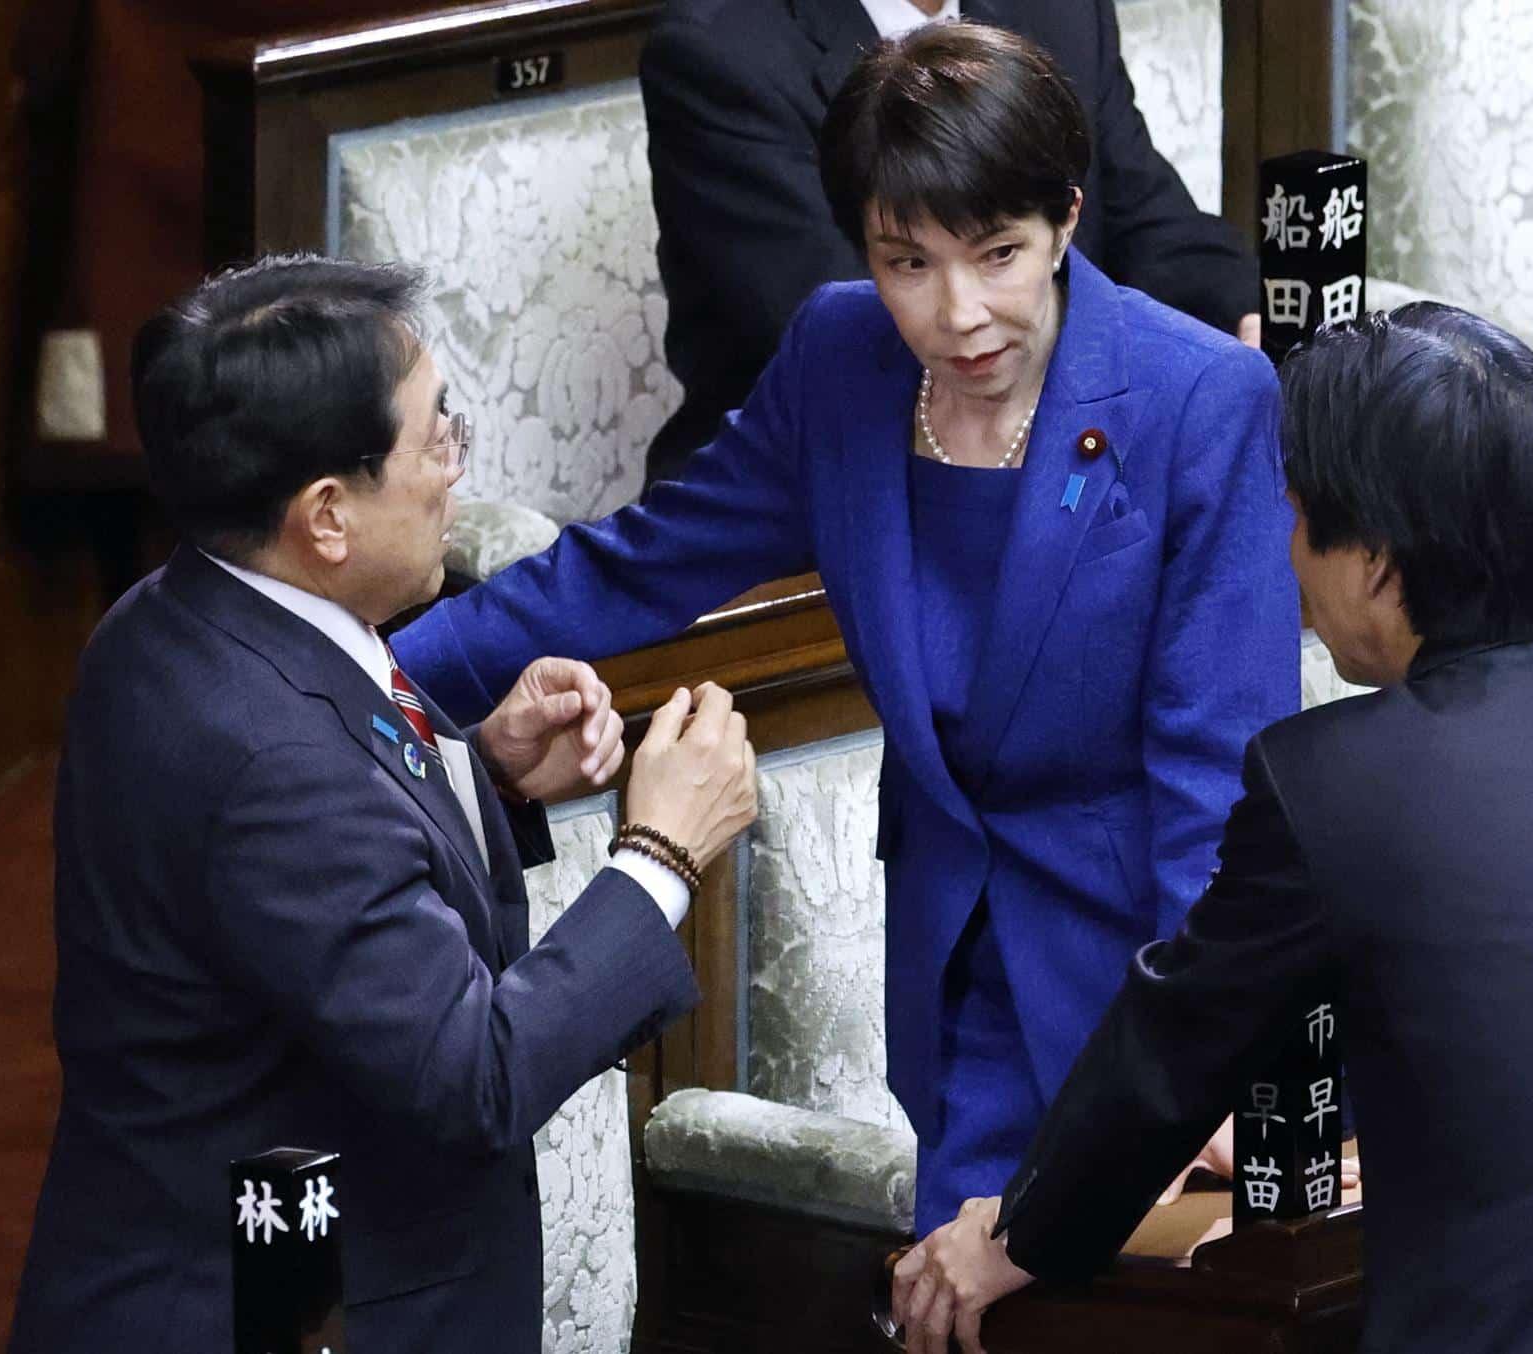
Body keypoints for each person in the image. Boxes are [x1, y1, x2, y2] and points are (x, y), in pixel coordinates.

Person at [391, 23, 1300, 1233]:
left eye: (1000, 255)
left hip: (1138, 981)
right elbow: (640, 565)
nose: (959, 311)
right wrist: (366, 682)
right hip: (955, 976)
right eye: (908, 262)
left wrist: (1202, 1061)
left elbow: (1218, 788)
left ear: (1067, 220)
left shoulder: (1201, 400)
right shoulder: (839, 357)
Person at [893, 303, 1533, 1354]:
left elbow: (1170, 1056)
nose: (1290, 563)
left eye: (1300, 520)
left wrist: (1020, 1233)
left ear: (1372, 560)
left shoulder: (1333, 782)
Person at [9, 256, 757, 1352]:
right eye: (432, 439)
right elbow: (475, 1074)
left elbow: (303, 889)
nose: (455, 470)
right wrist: (661, 851)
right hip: (284, 1309)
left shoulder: (172, 619)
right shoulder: (265, 756)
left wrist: (483, 770)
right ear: (326, 516)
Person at [636, 0, 1260, 491]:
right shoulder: (720, 48)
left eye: (999, 252)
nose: (965, 304)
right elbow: (852, 328)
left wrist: (1243, 327)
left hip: (1073, 455)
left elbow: (1147, 217)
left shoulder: (1059, 8)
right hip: (814, 490)